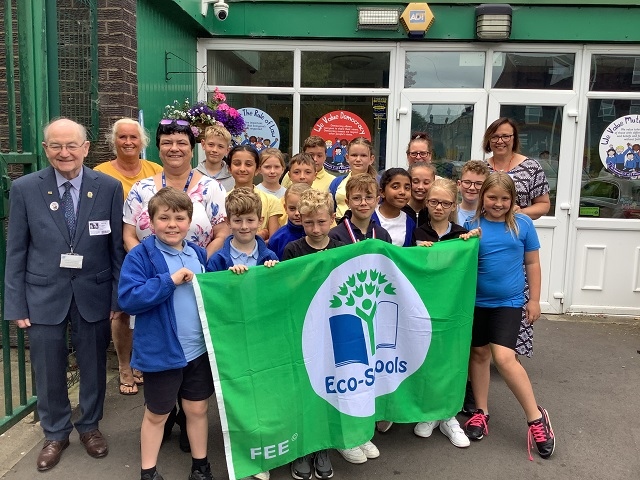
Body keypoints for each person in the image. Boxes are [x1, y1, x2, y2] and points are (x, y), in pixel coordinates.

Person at [5, 118, 125, 471]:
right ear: (46, 150)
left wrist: (117, 298)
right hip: (42, 293)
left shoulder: (108, 187)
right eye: (56, 146)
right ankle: (55, 432)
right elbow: (16, 250)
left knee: (92, 365)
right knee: (47, 368)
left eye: (72, 145)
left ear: (86, 148)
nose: (65, 153)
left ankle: (90, 427)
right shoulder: (25, 188)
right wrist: (15, 303)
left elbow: (116, 247)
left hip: (94, 292)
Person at [118, 188, 215, 480]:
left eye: (179, 218)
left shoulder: (198, 253)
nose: (172, 224)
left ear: (189, 222)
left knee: (197, 410)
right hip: (163, 351)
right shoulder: (141, 256)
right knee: (157, 414)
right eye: (164, 218)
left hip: (198, 349)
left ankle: (201, 467)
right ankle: (149, 472)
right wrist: (169, 280)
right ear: (151, 221)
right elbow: (129, 298)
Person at [463, 172, 555, 461]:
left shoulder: (523, 224)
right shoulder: (471, 225)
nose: (498, 203)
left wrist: (535, 299)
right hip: (476, 303)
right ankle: (481, 411)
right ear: (482, 197)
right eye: (492, 197)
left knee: (503, 358)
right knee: (478, 355)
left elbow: (533, 262)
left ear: (513, 199)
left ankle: (536, 419)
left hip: (509, 302)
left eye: (505, 198)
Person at [95, 117, 163, 396]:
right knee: (122, 308)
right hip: (116, 249)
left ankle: (142, 362)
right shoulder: (100, 173)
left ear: (142, 142)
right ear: (114, 141)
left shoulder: (155, 170)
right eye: (122, 137)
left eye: (133, 137)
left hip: (153, 251)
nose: (128, 142)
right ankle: (124, 366)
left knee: (151, 306)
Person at [409, 179, 479, 448]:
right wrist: (417, 253)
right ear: (427, 203)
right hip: (425, 309)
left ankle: (449, 415)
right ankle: (429, 411)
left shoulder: (462, 235)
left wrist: (471, 242)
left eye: (445, 203)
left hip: (452, 310)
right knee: (427, 357)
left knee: (452, 359)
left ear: (453, 206)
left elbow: (469, 263)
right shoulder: (417, 232)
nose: (439, 207)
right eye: (434, 202)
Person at [283, 189, 344, 480]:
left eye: (321, 222)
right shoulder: (292, 250)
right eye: (309, 223)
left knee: (329, 389)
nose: (316, 229)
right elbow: (287, 290)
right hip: (303, 330)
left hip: (335, 331)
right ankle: (302, 448)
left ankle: (322, 447)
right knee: (304, 390)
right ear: (299, 221)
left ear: (333, 219)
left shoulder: (343, 247)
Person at [482, 117, 550, 360]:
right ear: (489, 139)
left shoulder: (531, 167)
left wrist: (519, 213)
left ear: (514, 139)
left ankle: (509, 351)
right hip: (487, 238)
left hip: (516, 239)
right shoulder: (482, 168)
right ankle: (485, 352)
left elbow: (543, 205)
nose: (500, 140)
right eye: (495, 136)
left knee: (514, 296)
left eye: (505, 136)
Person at [124, 119, 229, 258]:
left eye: (181, 143)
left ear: (192, 151)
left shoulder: (212, 188)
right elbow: (128, 236)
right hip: (151, 275)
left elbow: (222, 235)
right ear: (159, 150)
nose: (174, 148)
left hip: (198, 274)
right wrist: (149, 265)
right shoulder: (140, 189)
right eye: (167, 143)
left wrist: (198, 265)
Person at [207, 188, 279, 273]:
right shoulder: (217, 260)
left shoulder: (270, 257)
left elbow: (279, 284)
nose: (244, 226)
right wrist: (229, 279)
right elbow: (210, 285)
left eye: (250, 220)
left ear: (260, 221)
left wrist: (273, 274)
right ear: (228, 222)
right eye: (237, 221)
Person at [227, 145, 284, 241]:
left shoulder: (271, 201)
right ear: (229, 168)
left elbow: (272, 240)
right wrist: (260, 235)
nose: (242, 169)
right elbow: (225, 236)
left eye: (248, 164)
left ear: (257, 169)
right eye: (237, 164)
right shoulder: (222, 199)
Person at [329, 173, 392, 244]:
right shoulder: (335, 236)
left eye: (369, 197)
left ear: (377, 201)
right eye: (356, 198)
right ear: (347, 202)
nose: (363, 203)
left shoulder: (383, 235)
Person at [329, 137, 378, 221]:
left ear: (371, 159)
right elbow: (330, 210)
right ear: (347, 157)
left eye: (363, 155)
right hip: (339, 228)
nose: (358, 159)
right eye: (354, 155)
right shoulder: (337, 183)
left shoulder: (378, 183)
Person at [372, 168, 415, 247]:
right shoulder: (369, 217)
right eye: (395, 187)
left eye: (407, 188)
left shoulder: (410, 222)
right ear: (382, 192)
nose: (402, 192)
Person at [269, 183, 311, 260]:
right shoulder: (278, 238)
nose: (297, 213)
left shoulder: (318, 234)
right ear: (285, 208)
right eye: (292, 209)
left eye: (301, 208)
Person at [278, 153, 317, 226]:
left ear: (315, 175)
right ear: (289, 175)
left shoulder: (321, 202)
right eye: (296, 172)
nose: (302, 177)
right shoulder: (278, 204)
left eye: (307, 172)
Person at [195, 124, 234, 192]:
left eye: (220, 146)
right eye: (211, 145)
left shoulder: (233, 179)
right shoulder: (193, 175)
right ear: (203, 144)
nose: (214, 150)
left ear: (227, 150)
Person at [402, 162, 436, 227]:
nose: (420, 187)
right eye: (415, 182)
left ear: (433, 183)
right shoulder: (399, 210)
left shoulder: (436, 211)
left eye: (426, 183)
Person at [456, 160, 489, 226]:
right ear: (459, 184)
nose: (472, 188)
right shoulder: (450, 212)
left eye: (478, 184)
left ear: (486, 187)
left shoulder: (490, 215)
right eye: (467, 182)